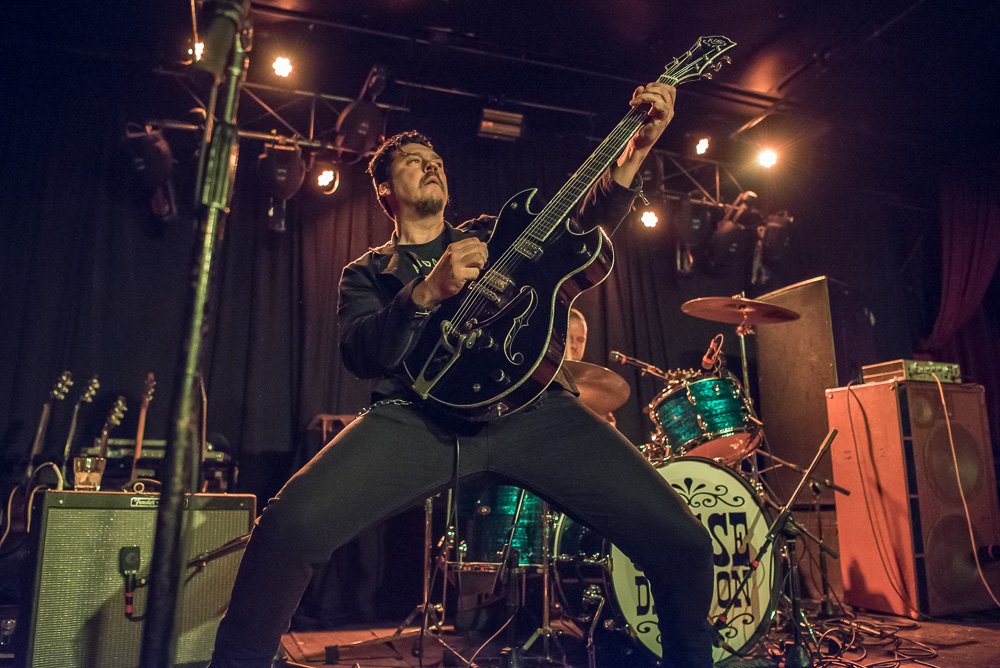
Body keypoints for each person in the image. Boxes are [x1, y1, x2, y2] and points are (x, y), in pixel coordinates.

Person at [210, 82, 714, 668]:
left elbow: (581, 227)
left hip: (536, 413)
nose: (431, 168)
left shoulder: (494, 235)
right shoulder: (368, 273)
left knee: (682, 544)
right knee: (288, 528)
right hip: (419, 421)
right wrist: (424, 293)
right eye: (413, 163)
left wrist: (638, 150)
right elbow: (362, 353)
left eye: (437, 162)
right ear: (384, 191)